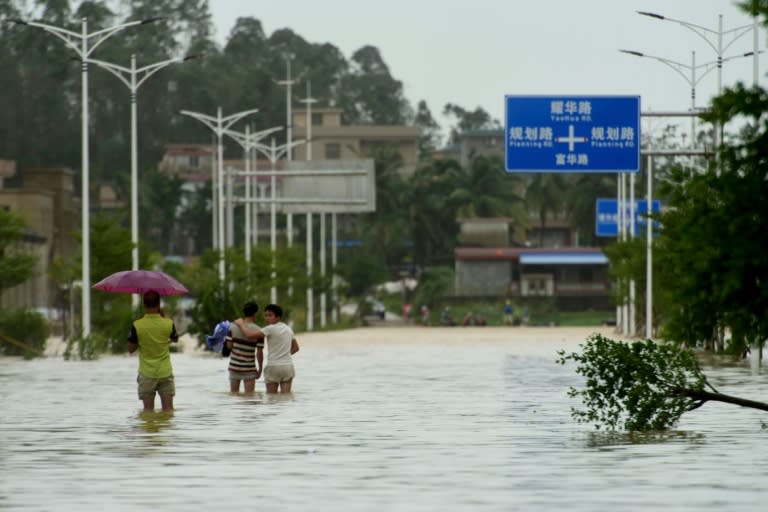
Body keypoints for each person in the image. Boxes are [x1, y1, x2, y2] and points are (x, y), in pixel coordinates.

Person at [127, 290, 179, 412]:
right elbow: (175, 339)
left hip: (147, 374)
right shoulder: (168, 323)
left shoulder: (137, 325)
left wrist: (141, 340)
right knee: (168, 411)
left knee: (148, 413)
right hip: (165, 372)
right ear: (159, 304)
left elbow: (130, 349)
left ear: (144, 305)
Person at [235, 304, 299, 394]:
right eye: (266, 315)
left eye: (270, 315)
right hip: (288, 366)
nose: (267, 318)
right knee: (286, 398)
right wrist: (284, 354)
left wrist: (241, 324)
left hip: (273, 367)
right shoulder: (288, 329)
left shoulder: (269, 329)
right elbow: (296, 348)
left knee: (272, 399)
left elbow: (249, 335)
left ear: (278, 317)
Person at [226, 300, 264, 393]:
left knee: (234, 396)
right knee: (249, 399)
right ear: (255, 313)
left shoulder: (232, 326)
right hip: (249, 369)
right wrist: (260, 369)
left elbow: (229, 346)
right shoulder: (259, 331)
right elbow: (259, 352)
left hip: (234, 367)